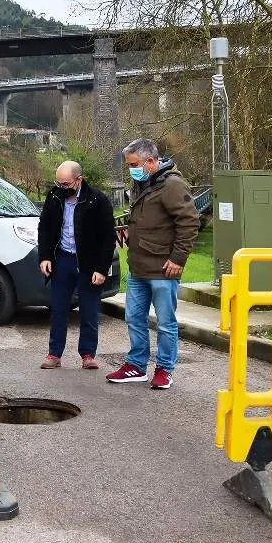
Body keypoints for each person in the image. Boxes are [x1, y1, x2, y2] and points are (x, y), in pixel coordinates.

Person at [106, 139, 199, 390]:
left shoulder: (172, 185)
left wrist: (178, 259)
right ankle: (136, 365)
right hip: (138, 267)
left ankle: (164, 369)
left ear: (150, 161)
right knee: (134, 318)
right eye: (129, 165)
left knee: (165, 323)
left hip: (163, 268)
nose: (131, 170)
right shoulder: (142, 182)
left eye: (134, 164)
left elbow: (189, 223)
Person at [37, 161, 116, 370]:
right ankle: (54, 354)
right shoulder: (54, 197)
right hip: (62, 260)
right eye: (58, 183)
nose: (61, 187)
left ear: (79, 180)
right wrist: (44, 256)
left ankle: (88, 354)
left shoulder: (97, 200)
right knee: (58, 309)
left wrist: (101, 269)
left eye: (65, 183)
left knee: (89, 310)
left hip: (88, 264)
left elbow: (109, 238)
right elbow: (44, 227)